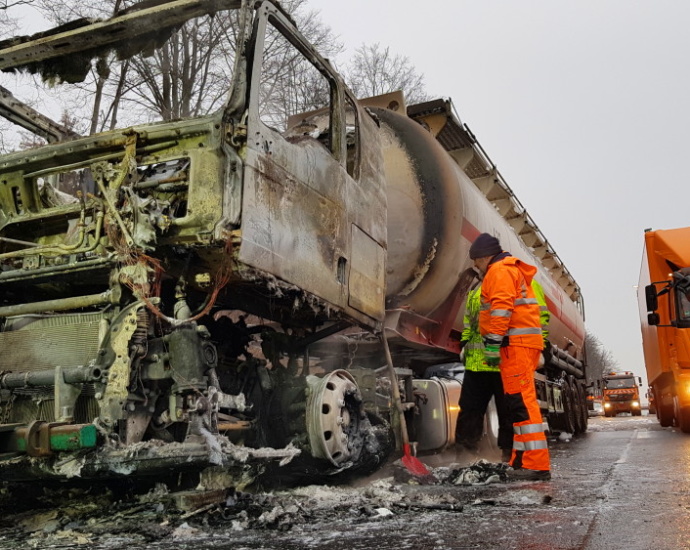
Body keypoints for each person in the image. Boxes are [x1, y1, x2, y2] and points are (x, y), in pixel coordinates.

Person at [469, 232, 551, 481]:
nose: (476, 267)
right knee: (516, 405)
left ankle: (536, 465)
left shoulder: (499, 271)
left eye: (476, 262)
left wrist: (492, 343)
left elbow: (502, 308)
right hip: (518, 344)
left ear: (484, 257)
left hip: (514, 345)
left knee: (522, 404)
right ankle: (521, 459)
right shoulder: (506, 269)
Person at [456, 277, 550, 464]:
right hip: (477, 364)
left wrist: (541, 345)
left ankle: (509, 456)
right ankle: (464, 457)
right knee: (469, 412)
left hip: (506, 361)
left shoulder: (526, 285)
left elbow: (539, 318)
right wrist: (465, 343)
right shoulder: (477, 290)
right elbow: (469, 321)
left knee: (508, 412)